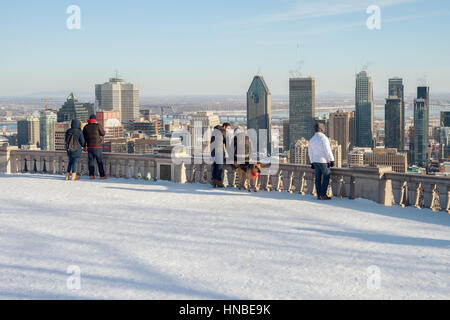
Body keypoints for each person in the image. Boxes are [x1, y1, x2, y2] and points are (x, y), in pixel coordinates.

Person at [308, 123, 335, 200]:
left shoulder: (312, 139)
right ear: (322, 129)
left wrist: (312, 162)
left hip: (315, 161)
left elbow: (310, 152)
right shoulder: (324, 138)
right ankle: (323, 194)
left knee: (317, 179)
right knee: (326, 177)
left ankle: (319, 195)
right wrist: (331, 160)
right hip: (323, 161)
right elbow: (327, 150)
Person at [83, 114, 107, 180]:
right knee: (99, 161)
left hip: (89, 147)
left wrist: (84, 146)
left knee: (91, 161)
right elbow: (103, 133)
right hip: (97, 147)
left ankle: (91, 175)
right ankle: (102, 175)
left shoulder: (86, 127)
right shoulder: (98, 126)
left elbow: (84, 138)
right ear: (95, 120)